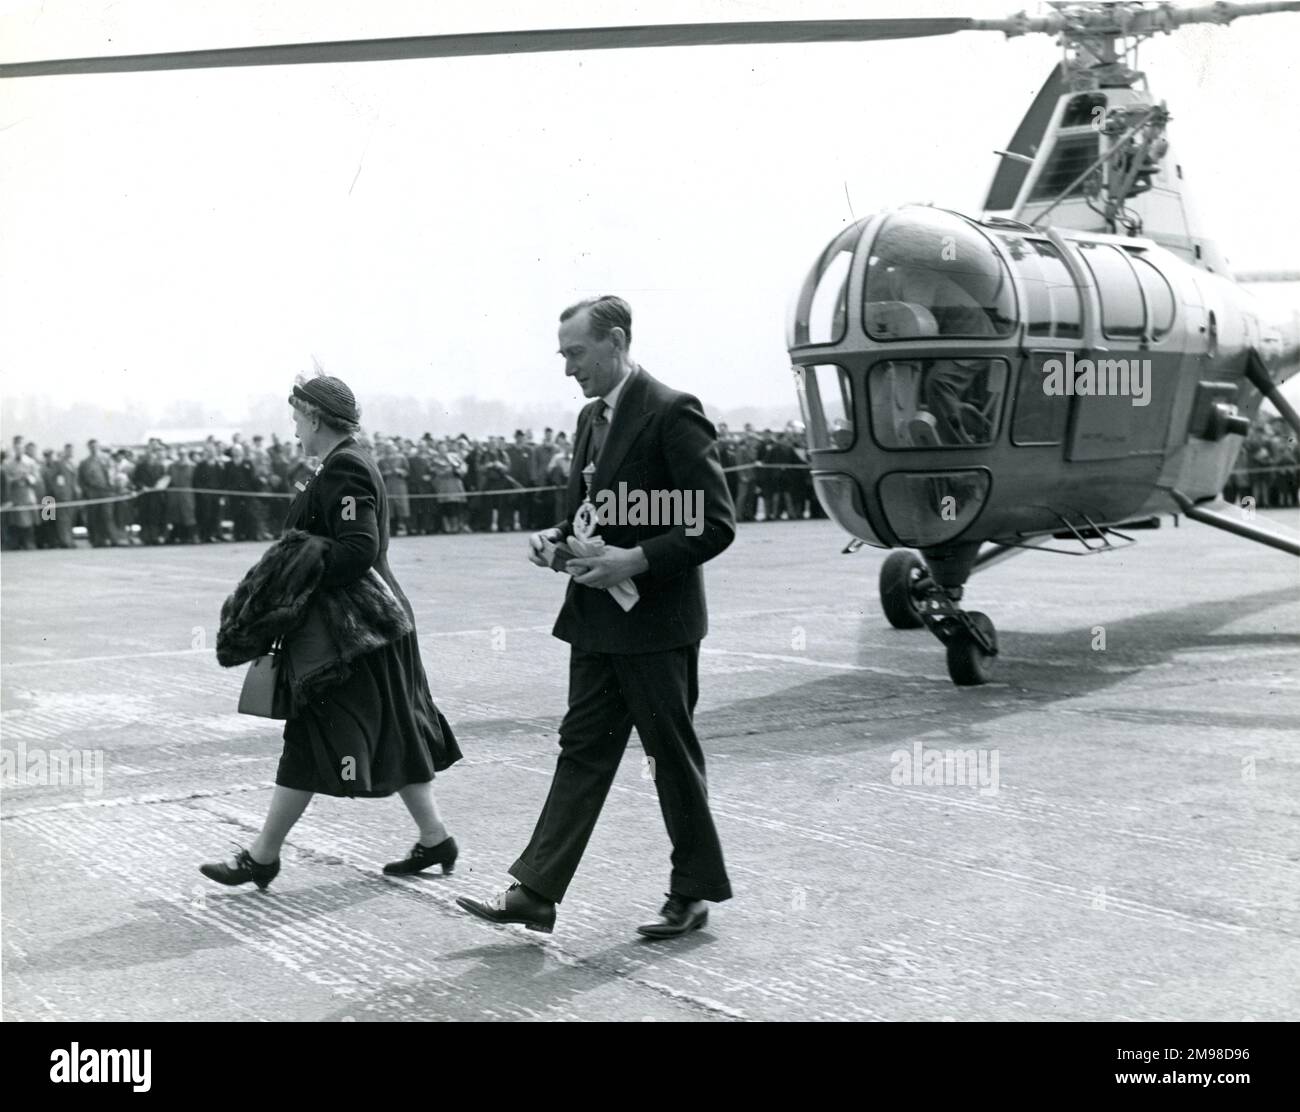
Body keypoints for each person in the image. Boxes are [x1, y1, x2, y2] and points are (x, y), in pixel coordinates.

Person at [457, 295, 735, 939]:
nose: (568, 368)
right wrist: (554, 539)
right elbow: (588, 510)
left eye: (576, 354)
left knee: (669, 756)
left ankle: (692, 892)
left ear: (615, 342)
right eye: (563, 356)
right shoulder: (590, 418)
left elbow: (714, 523)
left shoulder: (671, 413)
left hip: (656, 625)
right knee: (582, 751)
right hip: (596, 621)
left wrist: (634, 559)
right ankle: (534, 892)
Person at [200, 374, 463, 890]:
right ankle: (436, 839)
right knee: (394, 727)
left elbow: (357, 548)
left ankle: (262, 855)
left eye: (297, 418)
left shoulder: (344, 468)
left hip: (354, 633)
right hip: (371, 629)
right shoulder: (343, 463)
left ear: (315, 418)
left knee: (309, 734)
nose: (294, 428)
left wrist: (298, 571)